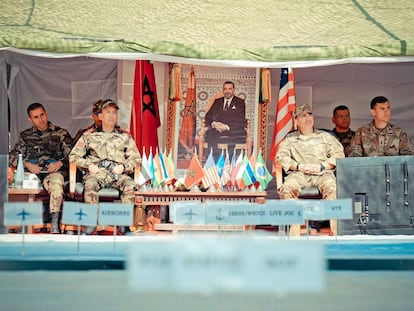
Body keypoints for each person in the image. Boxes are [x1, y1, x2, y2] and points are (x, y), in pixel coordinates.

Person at [69, 99, 142, 234]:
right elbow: (73, 156)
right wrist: (89, 165)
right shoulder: (89, 136)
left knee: (130, 185)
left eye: (114, 112)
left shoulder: (125, 136)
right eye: (108, 112)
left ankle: (125, 225)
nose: (111, 115)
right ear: (100, 116)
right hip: (97, 173)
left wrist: (123, 167)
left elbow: (136, 159)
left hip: (117, 173)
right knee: (90, 185)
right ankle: (91, 223)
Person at [276, 104, 345, 236]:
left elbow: (339, 154)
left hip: (322, 173)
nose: (308, 118)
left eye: (310, 114)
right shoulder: (290, 139)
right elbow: (281, 157)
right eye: (303, 115)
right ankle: (295, 228)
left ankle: (336, 231)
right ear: (296, 121)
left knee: (333, 188)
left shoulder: (325, 137)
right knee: (288, 187)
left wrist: (322, 166)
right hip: (299, 174)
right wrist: (298, 166)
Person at [9, 102, 73, 234]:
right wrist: (27, 164)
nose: (41, 119)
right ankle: (21, 223)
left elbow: (73, 155)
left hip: (53, 172)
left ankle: (54, 223)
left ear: (46, 113)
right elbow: (12, 156)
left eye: (42, 115)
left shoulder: (60, 133)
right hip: (33, 172)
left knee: (56, 184)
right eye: (36, 117)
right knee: (20, 184)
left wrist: (59, 164)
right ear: (30, 119)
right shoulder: (25, 136)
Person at [349, 96, 414, 157]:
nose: (387, 112)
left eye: (388, 108)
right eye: (382, 109)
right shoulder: (361, 132)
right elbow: (355, 156)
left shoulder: (399, 132)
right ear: (373, 112)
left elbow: (409, 156)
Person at [204, 81, 246, 157]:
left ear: (233, 90)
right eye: (225, 89)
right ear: (223, 90)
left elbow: (241, 119)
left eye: (230, 89)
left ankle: (229, 162)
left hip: (232, 129)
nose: (227, 91)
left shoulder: (240, 102)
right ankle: (215, 160)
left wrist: (226, 127)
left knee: (233, 138)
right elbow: (208, 116)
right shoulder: (217, 101)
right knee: (210, 134)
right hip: (218, 128)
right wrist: (214, 124)